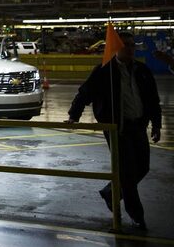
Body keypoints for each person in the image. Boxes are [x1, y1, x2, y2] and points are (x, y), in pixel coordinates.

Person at [66, 32, 162, 230]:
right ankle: (137, 216)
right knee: (127, 173)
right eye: (125, 45)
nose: (130, 48)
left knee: (142, 167)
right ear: (116, 47)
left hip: (138, 125)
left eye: (132, 45)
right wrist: (74, 115)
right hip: (117, 128)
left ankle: (111, 192)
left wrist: (157, 124)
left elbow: (153, 100)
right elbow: (84, 93)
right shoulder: (104, 72)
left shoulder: (142, 70)